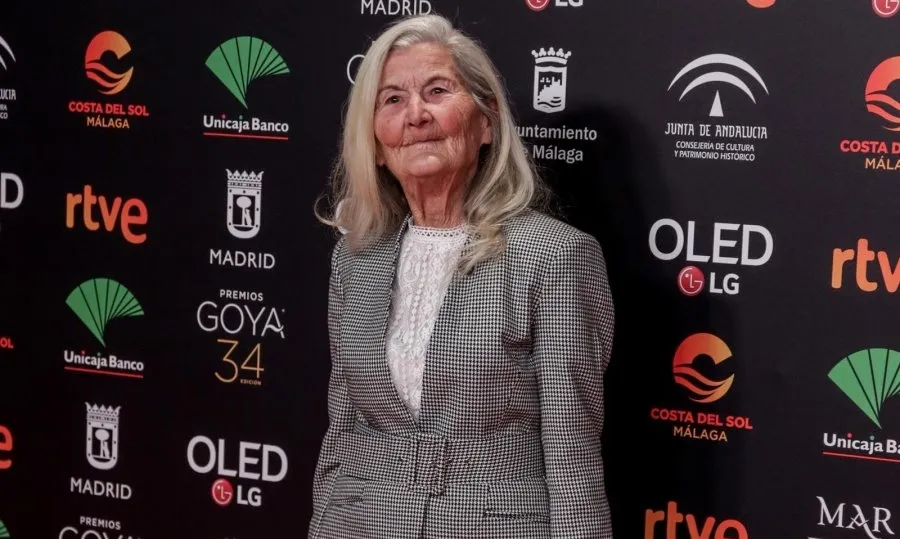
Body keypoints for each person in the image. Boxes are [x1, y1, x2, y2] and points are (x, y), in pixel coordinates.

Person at [309, 13, 614, 539]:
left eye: (437, 91)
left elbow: (572, 452)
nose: (416, 115)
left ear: (486, 121)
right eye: (393, 100)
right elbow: (343, 431)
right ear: (377, 143)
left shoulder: (555, 257)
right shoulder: (355, 257)